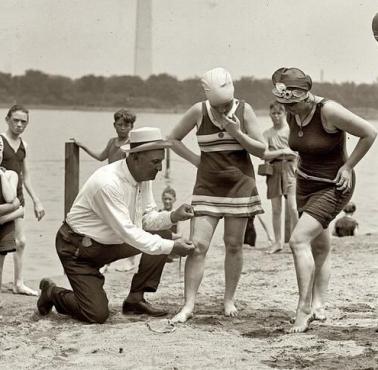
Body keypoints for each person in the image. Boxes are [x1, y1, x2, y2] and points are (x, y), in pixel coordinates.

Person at [37, 127, 195, 324]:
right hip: (78, 250)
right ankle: (52, 292)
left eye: (161, 161)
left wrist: (173, 216)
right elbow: (129, 232)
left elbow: (146, 220)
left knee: (163, 234)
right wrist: (173, 247)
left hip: (109, 243)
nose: (160, 168)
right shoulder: (107, 183)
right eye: (155, 162)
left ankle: (135, 300)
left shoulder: (143, 176)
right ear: (135, 158)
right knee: (96, 315)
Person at [271, 67, 377, 333]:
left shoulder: (328, 111)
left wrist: (349, 166)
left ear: (306, 96)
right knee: (319, 246)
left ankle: (303, 308)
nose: (289, 109)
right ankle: (319, 304)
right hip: (305, 184)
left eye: (292, 104)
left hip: (334, 186)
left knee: (297, 240)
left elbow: (369, 133)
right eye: (285, 104)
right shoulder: (294, 112)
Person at [168, 67, 266, 323]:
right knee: (197, 247)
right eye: (218, 106)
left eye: (226, 105)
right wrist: (197, 161)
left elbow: (262, 151)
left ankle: (228, 299)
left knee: (233, 246)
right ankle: (188, 304)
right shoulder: (198, 111)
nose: (223, 110)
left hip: (239, 188)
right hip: (207, 189)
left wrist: (237, 133)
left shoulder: (245, 110)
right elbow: (173, 139)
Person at [72, 108, 137, 272]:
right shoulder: (111, 142)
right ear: (114, 125)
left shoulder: (132, 144)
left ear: (131, 127)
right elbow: (101, 156)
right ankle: (105, 262)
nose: (123, 128)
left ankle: (131, 260)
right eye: (119, 124)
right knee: (107, 223)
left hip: (125, 187)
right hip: (110, 186)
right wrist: (83, 145)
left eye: (126, 125)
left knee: (127, 222)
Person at [0, 105, 45, 296]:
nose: (19, 125)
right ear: (7, 119)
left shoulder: (24, 145)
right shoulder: (0, 142)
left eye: (23, 122)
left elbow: (25, 177)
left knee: (21, 241)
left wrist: (37, 201)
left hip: (18, 198)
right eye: (16, 120)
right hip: (4, 200)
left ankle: (18, 283)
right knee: (1, 247)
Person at [263, 102, 298, 253]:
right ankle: (278, 242)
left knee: (293, 208)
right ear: (270, 115)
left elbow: (297, 152)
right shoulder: (267, 134)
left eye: (279, 113)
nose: (276, 117)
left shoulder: (291, 131)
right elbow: (264, 155)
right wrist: (283, 151)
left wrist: (282, 152)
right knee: (276, 209)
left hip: (291, 169)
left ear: (284, 114)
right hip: (274, 171)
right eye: (273, 114)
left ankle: (297, 240)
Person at [0, 166, 24, 310]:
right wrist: (15, 207)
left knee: (0, 266)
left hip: (2, 228)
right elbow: (14, 203)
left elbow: (10, 197)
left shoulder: (9, 174)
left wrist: (1, 175)